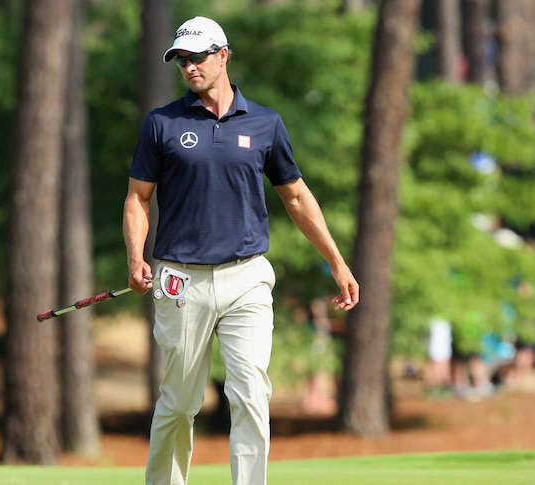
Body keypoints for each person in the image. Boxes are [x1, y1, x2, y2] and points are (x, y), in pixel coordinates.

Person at [123, 16, 359, 485]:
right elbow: (137, 198)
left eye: (198, 57)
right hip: (181, 278)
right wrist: (136, 257)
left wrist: (337, 261)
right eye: (182, 60)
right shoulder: (163, 123)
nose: (190, 67)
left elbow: (296, 197)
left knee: (251, 392)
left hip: (247, 276)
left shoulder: (265, 123)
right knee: (179, 403)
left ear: (223, 55)